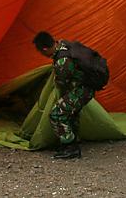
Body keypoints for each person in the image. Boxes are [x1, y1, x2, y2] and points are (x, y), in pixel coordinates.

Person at [33, 31, 97, 159]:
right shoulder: (65, 45)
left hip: (81, 91)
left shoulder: (62, 59)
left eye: (41, 52)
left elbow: (62, 82)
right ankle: (72, 140)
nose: (43, 54)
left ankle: (71, 147)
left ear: (45, 49)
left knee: (57, 114)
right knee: (71, 114)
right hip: (85, 89)